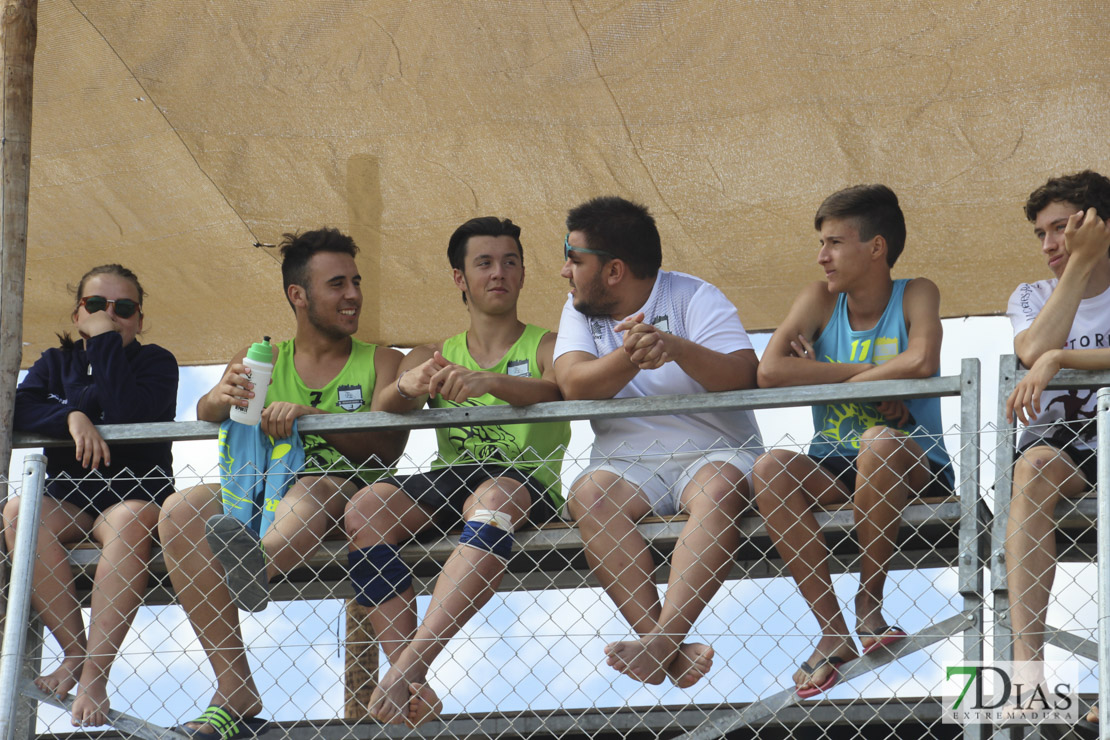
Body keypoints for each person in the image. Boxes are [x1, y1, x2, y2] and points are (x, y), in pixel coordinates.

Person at [157, 228, 408, 740]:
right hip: (256, 489)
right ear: (299, 295)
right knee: (179, 509)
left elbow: (388, 447)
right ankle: (235, 690)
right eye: (337, 284)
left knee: (312, 488)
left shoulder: (383, 360)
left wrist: (312, 417)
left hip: (341, 491)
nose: (354, 295)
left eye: (356, 282)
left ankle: (257, 562)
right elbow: (208, 412)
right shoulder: (263, 359)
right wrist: (219, 396)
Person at [345, 216, 570, 726]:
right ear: (459, 278)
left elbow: (561, 388)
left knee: (493, 502)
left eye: (509, 262)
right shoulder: (434, 352)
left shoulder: (546, 345)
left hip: (521, 482)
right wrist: (411, 385)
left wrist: (490, 381)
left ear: (522, 273)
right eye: (484, 263)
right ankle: (411, 684)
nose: (498, 273)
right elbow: (385, 405)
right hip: (453, 476)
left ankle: (408, 666)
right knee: (366, 507)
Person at [553, 195, 763, 688]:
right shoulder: (578, 309)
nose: (566, 271)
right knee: (588, 494)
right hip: (628, 465)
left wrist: (675, 347)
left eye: (574, 258)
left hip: (715, 453)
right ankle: (667, 645)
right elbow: (574, 384)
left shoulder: (694, 297)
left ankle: (661, 644)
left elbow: (743, 375)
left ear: (614, 271)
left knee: (719, 487)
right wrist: (634, 353)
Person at [752, 184, 952, 697]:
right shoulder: (818, 299)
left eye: (835, 243)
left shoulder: (916, 291)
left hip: (911, 459)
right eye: (822, 243)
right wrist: (875, 376)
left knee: (880, 440)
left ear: (876, 247)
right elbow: (770, 372)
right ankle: (833, 631)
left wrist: (817, 371)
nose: (822, 257)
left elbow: (922, 361)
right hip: (835, 463)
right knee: (769, 466)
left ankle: (870, 604)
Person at [9, 264, 178, 727]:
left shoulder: (156, 361)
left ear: (139, 320)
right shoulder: (53, 361)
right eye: (97, 306)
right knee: (19, 510)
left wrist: (103, 341)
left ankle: (96, 676)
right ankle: (74, 652)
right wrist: (73, 419)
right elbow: (20, 407)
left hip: (134, 496)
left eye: (123, 309)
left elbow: (129, 409)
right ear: (77, 312)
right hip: (71, 498)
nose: (110, 315)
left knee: (129, 521)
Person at [1003, 170, 1110, 730]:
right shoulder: (1030, 295)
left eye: (1061, 230)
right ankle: (1028, 675)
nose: (1047, 245)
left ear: (1098, 226)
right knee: (1034, 468)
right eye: (1040, 234)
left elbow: (1050, 356)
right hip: (1063, 444)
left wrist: (1065, 360)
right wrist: (1080, 264)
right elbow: (1032, 350)